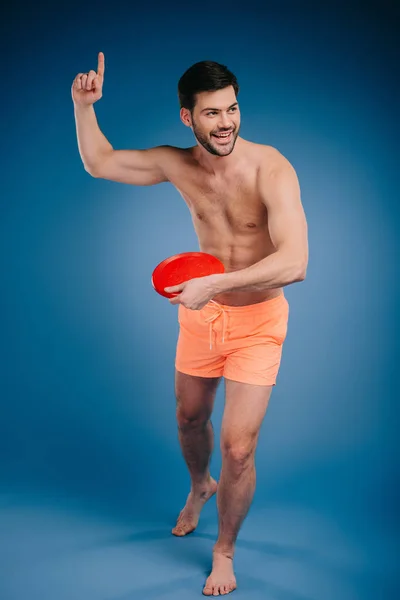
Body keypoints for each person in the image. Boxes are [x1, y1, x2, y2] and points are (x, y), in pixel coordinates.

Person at [72, 52, 308, 596]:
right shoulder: (176, 164)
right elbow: (100, 162)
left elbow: (295, 262)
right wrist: (83, 108)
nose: (225, 123)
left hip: (256, 320)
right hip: (201, 319)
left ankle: (223, 550)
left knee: (239, 449)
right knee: (188, 418)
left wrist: (215, 285)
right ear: (187, 117)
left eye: (232, 109)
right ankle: (200, 485)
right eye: (211, 114)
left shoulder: (271, 167)